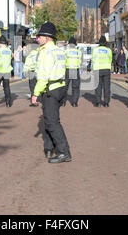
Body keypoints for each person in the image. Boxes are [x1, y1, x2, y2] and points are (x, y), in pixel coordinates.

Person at [31, 22, 71, 163]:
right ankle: (49, 148)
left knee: (52, 123)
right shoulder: (60, 51)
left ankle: (64, 152)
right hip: (60, 88)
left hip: (50, 89)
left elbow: (43, 75)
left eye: (39, 36)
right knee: (50, 119)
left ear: (47, 38)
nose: (37, 39)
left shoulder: (45, 52)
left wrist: (35, 93)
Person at [92, 36, 112, 107]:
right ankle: (106, 103)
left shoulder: (95, 50)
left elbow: (93, 59)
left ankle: (98, 102)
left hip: (97, 69)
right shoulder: (109, 50)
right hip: (106, 69)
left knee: (98, 86)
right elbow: (110, 60)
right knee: (106, 86)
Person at [64, 37, 81, 107]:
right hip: (75, 70)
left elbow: (63, 62)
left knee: (65, 86)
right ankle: (74, 102)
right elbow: (80, 61)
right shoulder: (79, 52)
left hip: (68, 69)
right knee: (75, 87)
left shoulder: (66, 51)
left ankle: (63, 102)